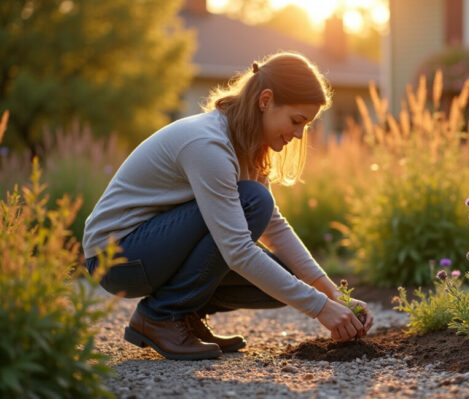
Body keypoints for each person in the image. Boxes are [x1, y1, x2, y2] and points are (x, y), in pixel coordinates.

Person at [83, 52, 373, 361]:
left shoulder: (249, 145)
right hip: (117, 257)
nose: (299, 134)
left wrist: (335, 296)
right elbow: (236, 249)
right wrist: (319, 308)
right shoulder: (208, 144)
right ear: (266, 100)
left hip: (152, 251)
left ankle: (186, 314)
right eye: (296, 121)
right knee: (253, 201)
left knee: (285, 273)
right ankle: (160, 316)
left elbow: (273, 226)